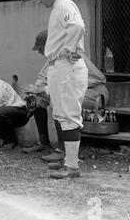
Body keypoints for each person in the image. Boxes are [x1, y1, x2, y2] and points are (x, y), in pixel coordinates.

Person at [22, 30, 109, 160]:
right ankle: (44, 142)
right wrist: (34, 92)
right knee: (40, 103)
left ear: (50, 44)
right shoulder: (54, 56)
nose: (39, 52)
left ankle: (62, 150)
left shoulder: (69, 54)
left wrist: (39, 90)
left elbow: (66, 85)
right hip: (75, 91)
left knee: (58, 103)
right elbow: (43, 77)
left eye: (41, 48)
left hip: (95, 93)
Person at [34, 0, 88, 179]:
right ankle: (69, 162)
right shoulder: (60, 6)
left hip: (67, 67)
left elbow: (78, 27)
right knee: (61, 114)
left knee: (69, 117)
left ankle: (72, 167)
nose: (41, 0)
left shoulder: (63, 4)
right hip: (60, 67)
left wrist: (68, 48)